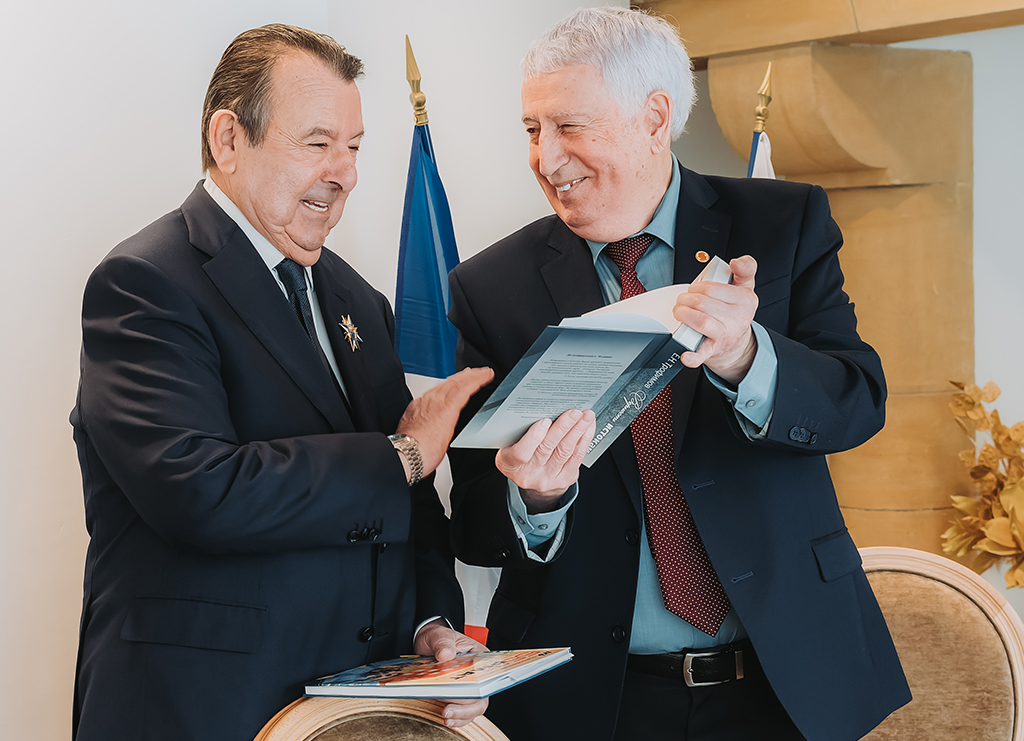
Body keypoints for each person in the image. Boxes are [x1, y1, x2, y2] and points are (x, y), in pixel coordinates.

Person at [446, 7, 910, 741]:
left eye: (569, 126)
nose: (545, 157)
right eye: (532, 129)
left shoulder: (783, 223)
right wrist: (535, 497)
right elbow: (473, 522)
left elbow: (856, 404)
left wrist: (745, 357)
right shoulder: (489, 287)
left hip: (786, 684)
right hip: (592, 700)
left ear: (655, 118)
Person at [70, 24, 493, 741]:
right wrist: (400, 454)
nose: (345, 172)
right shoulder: (143, 283)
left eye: (354, 147)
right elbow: (199, 490)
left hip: (354, 710)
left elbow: (409, 502)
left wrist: (430, 621)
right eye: (317, 142)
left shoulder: (359, 300)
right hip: (202, 709)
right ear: (229, 139)